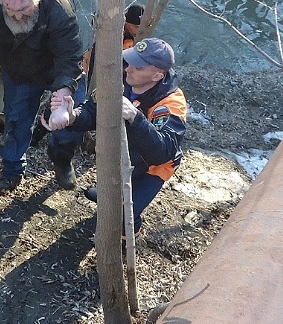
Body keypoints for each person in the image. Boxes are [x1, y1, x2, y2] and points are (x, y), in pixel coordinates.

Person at [45, 37, 187, 234]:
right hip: (123, 153)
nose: (128, 69)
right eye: (131, 61)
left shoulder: (171, 104)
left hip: (152, 168)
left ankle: (128, 236)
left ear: (156, 76)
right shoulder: (123, 77)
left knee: (124, 216)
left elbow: (162, 152)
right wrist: (72, 116)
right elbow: (94, 111)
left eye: (138, 67)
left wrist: (135, 117)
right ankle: (109, 198)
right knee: (112, 190)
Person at [0, 0, 87, 195]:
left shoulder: (57, 7)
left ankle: (62, 161)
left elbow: (70, 56)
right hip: (19, 71)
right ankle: (12, 170)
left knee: (71, 120)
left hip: (58, 70)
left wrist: (63, 96)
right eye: (9, 9)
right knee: (15, 121)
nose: (16, 16)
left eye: (23, 9)